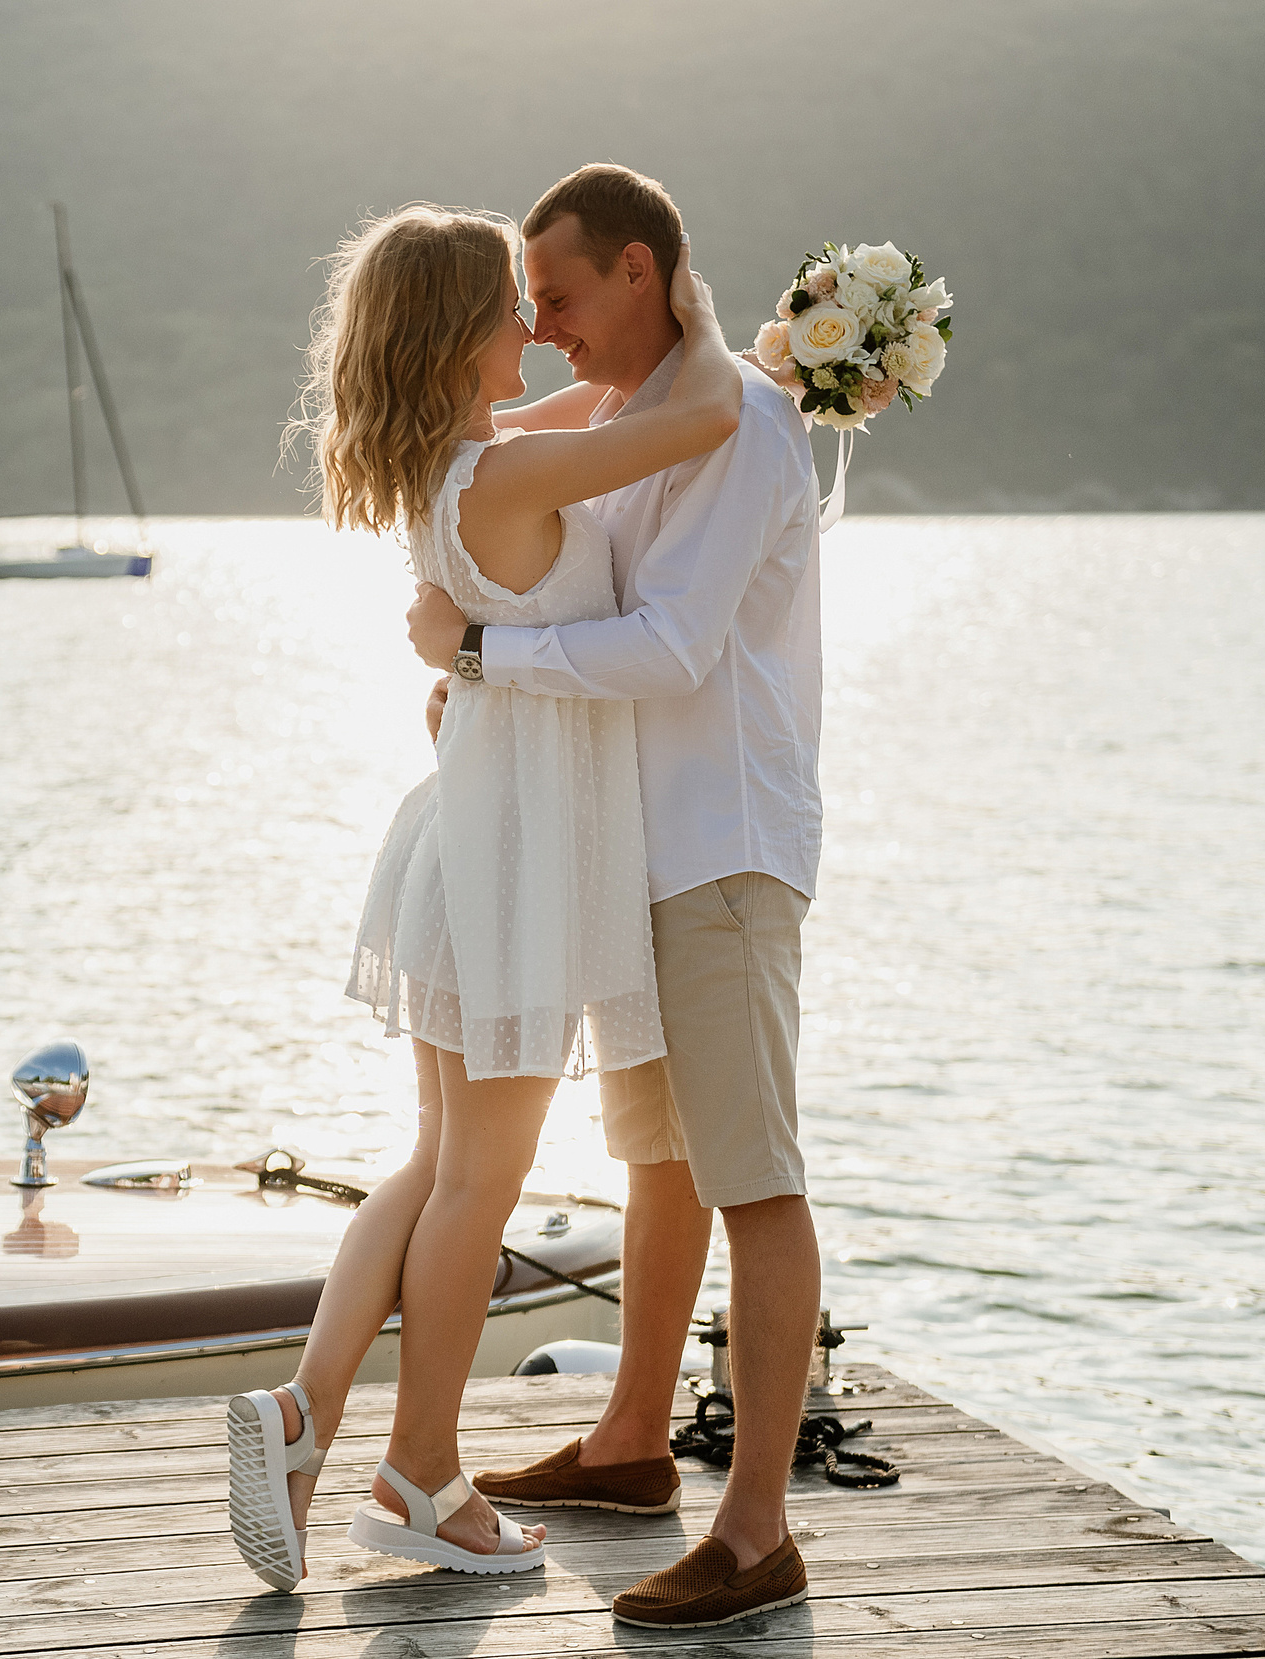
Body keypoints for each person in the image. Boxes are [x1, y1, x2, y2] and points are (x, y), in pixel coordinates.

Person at [225, 202, 743, 1592]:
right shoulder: (510, 479)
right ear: (462, 332)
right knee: (478, 1183)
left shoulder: (462, 466)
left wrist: (637, 356)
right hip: (509, 862)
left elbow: (606, 403)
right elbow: (691, 422)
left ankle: (302, 1412)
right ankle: (423, 1475)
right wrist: (711, 324)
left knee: (434, 1164)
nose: (537, 324)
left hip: (471, 846)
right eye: (515, 306)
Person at [408, 163, 825, 1631]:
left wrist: (471, 660)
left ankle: (758, 1529)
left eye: (565, 298)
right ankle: (635, 1439)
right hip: (632, 853)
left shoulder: (746, 431)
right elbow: (482, 462)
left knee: (754, 1178)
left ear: (641, 271)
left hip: (723, 847)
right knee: (656, 1160)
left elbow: (669, 650)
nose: (549, 326)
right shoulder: (643, 426)